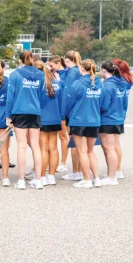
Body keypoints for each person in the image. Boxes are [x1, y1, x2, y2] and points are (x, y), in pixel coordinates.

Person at [5, 51, 45, 190]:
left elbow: (10, 97)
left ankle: (21, 181)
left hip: (20, 112)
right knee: (35, 146)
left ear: (20, 61)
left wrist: (8, 115)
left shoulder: (15, 74)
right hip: (35, 112)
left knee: (21, 146)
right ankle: (38, 180)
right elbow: (41, 95)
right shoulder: (40, 75)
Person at [63, 59, 103, 189]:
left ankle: (86, 179)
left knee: (82, 152)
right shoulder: (99, 83)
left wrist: (68, 114)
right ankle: (96, 179)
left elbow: (69, 103)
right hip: (94, 120)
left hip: (79, 120)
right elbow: (101, 102)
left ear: (81, 69)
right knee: (90, 151)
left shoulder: (77, 84)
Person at [98, 61, 126, 185]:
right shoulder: (121, 83)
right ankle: (113, 172)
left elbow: (104, 105)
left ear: (104, 70)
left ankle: (111, 177)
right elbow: (125, 102)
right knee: (113, 147)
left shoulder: (107, 85)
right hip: (118, 117)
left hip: (108, 119)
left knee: (109, 149)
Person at [36, 58, 62, 186]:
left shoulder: (39, 84)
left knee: (43, 149)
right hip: (55, 118)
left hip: (42, 118)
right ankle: (51, 176)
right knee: (53, 148)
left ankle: (41, 177)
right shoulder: (56, 82)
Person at [60, 51, 84, 181]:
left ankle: (76, 171)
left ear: (68, 60)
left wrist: (63, 113)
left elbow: (67, 94)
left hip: (73, 111)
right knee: (80, 143)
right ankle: (79, 170)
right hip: (81, 109)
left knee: (74, 142)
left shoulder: (71, 72)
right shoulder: (80, 70)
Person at [110, 59, 133, 179]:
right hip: (121, 112)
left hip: (115, 113)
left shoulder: (119, 81)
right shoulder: (128, 79)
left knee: (114, 144)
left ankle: (117, 169)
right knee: (116, 142)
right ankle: (117, 168)